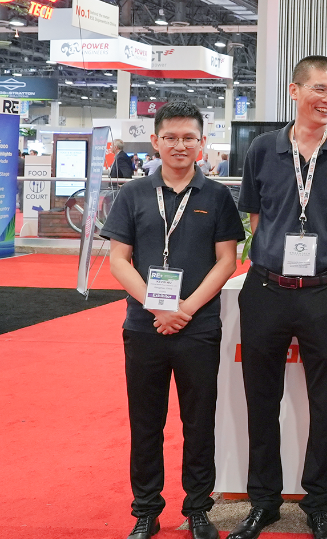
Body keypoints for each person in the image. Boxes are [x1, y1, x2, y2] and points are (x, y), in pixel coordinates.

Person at [231, 55, 327, 539]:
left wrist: (323, 258)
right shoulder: (263, 150)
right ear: (295, 91)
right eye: (319, 89)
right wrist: (279, 255)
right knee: (260, 400)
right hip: (265, 289)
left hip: (324, 292)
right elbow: (256, 219)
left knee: (325, 403)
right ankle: (264, 502)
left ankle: (318, 504)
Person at [100, 101, 246, 539]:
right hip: (144, 326)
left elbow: (227, 261)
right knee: (146, 422)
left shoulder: (217, 196)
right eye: (171, 137)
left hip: (198, 327)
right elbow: (119, 260)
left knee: (199, 422)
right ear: (155, 141)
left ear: (202, 142)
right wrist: (158, 306)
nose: (179, 145)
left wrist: (185, 309)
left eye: (188, 138)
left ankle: (198, 508)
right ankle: (146, 510)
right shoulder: (132, 194)